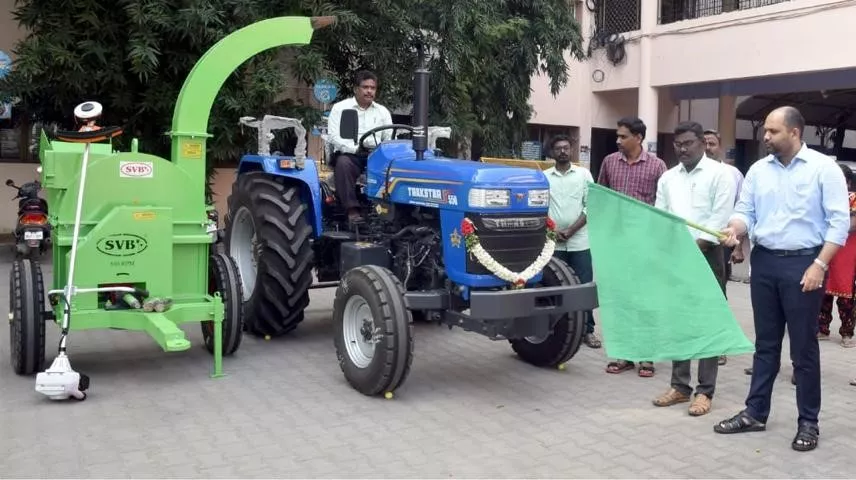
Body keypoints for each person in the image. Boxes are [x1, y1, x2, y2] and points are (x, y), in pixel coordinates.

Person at [714, 106, 850, 453]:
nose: (765, 136)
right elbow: (746, 211)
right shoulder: (759, 170)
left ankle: (809, 422)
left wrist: (819, 264)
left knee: (803, 349)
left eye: (773, 131)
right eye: (766, 131)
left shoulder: (823, 169)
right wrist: (735, 228)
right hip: (765, 263)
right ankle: (755, 412)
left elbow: (838, 224)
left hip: (805, 263)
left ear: (794, 132)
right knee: (766, 345)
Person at [651, 121, 735, 416]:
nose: (682, 149)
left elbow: (719, 217)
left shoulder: (720, 175)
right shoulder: (668, 178)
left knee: (706, 322)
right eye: (677, 144)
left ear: (702, 142)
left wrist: (695, 246)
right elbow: (662, 215)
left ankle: (705, 391)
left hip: (707, 254)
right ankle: (680, 387)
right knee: (679, 321)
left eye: (688, 143)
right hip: (676, 255)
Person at [598, 116, 667, 377]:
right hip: (616, 243)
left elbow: (663, 206)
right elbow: (602, 196)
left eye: (623, 136)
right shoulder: (609, 162)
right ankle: (624, 353)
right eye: (617, 136)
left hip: (646, 243)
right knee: (621, 298)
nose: (618, 140)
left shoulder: (658, 166)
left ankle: (646, 356)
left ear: (638, 138)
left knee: (645, 299)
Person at [544, 134, 600, 349]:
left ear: (571, 150)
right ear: (552, 153)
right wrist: (554, 230)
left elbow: (591, 205)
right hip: (554, 242)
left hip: (580, 242)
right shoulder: (545, 177)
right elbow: (540, 206)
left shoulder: (583, 174)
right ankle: (559, 330)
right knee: (555, 286)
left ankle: (588, 331)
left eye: (566, 148)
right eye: (558, 148)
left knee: (584, 287)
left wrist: (571, 230)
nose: (563, 152)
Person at [326, 70, 393, 224]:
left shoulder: (383, 112)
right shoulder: (340, 108)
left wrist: (382, 153)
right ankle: (352, 210)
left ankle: (391, 211)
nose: (369, 91)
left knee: (394, 168)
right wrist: (354, 148)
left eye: (372, 88)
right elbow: (334, 137)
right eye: (365, 87)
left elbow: (388, 138)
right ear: (356, 88)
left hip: (376, 155)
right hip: (351, 154)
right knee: (343, 163)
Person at [704, 128, 746, 366]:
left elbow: (741, 211)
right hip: (693, 243)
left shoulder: (732, 174)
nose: (708, 147)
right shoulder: (692, 173)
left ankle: (718, 345)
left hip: (722, 243)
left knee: (718, 293)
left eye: (712, 143)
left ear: (719, 145)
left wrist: (739, 247)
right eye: (704, 142)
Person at [817, 163, 856, 347]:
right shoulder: (825, 199)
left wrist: (834, 228)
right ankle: (822, 328)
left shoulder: (854, 199)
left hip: (847, 252)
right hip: (826, 249)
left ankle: (847, 333)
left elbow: (852, 224)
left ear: (848, 182)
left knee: (846, 295)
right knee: (822, 291)